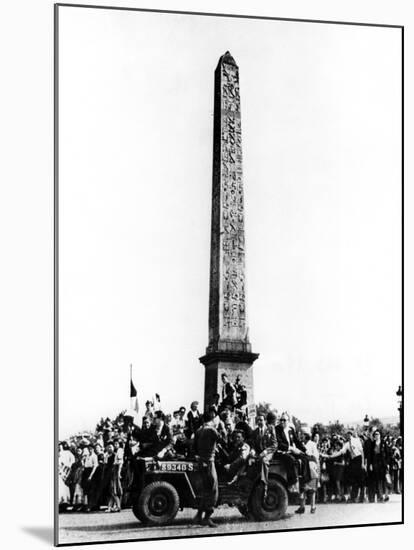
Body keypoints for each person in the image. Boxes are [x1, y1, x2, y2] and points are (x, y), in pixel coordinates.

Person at [193, 407, 222, 527]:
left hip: (201, 461)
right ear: (212, 419)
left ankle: (199, 515)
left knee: (205, 489)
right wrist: (221, 426)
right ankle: (207, 517)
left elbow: (194, 447)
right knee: (213, 490)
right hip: (209, 462)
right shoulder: (211, 430)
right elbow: (223, 439)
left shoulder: (199, 430)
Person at [324, 429, 366, 503]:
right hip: (353, 461)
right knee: (354, 480)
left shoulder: (357, 440)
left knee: (361, 480)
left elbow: (361, 452)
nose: (348, 435)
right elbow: (340, 452)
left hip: (358, 459)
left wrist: (363, 463)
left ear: (352, 434)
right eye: (347, 434)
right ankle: (353, 497)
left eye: (350, 434)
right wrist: (330, 456)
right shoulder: (346, 444)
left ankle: (362, 497)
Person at [275, 413, 306, 491]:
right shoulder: (277, 429)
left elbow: (297, 441)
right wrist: (291, 448)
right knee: (291, 460)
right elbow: (279, 444)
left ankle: (304, 481)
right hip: (281, 452)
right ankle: (292, 483)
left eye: (284, 420)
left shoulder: (291, 430)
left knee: (305, 458)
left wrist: (305, 450)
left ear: (288, 421)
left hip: (290, 451)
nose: (282, 422)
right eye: (281, 420)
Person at [249, 414, 277, 492]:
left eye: (261, 420)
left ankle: (264, 483)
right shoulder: (255, 432)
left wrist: (265, 452)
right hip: (259, 453)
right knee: (250, 461)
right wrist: (252, 451)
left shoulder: (270, 429)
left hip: (269, 452)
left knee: (264, 461)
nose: (259, 422)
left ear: (264, 421)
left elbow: (274, 445)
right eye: (258, 420)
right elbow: (253, 445)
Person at [295, 428, 319, 514]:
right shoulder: (300, 444)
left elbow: (316, 456)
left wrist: (317, 468)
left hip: (311, 466)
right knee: (302, 488)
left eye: (302, 434)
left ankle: (313, 507)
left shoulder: (312, 444)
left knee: (312, 489)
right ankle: (302, 507)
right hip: (303, 467)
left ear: (306, 435)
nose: (301, 436)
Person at [365, 429, 389, 503]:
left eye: (378, 434)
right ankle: (380, 496)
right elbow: (371, 456)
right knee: (378, 480)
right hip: (375, 464)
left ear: (380, 435)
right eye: (375, 434)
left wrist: (387, 463)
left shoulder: (384, 443)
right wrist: (371, 464)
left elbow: (388, 454)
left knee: (385, 479)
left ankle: (386, 495)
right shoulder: (373, 444)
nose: (377, 436)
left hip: (383, 463)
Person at [58, 442, 74, 512]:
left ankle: (65, 503)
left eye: (61, 446)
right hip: (60, 473)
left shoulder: (68, 453)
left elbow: (72, 462)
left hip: (65, 472)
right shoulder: (58, 454)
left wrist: (67, 469)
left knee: (64, 488)